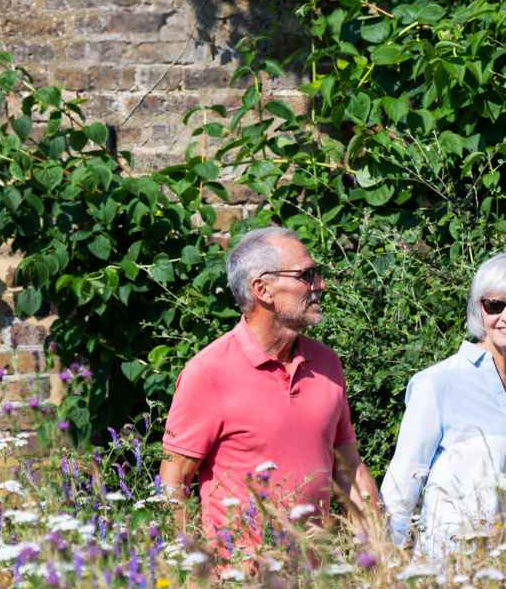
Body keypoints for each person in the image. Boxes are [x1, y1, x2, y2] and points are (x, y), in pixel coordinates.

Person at [158, 226, 381, 554]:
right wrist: (187, 571)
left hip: (314, 588)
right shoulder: (208, 373)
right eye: (307, 275)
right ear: (263, 289)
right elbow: (173, 484)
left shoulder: (327, 364)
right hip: (238, 587)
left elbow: (349, 471)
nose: (321, 285)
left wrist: (380, 554)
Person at [382, 251, 506, 556]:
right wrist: (388, 563)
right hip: (454, 574)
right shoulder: (438, 384)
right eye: (494, 305)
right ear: (479, 310)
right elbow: (403, 484)